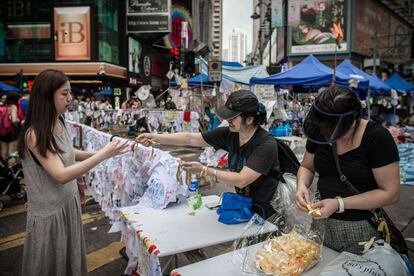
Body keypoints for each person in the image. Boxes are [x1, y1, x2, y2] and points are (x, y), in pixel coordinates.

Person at [17, 69, 129, 275]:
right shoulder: (34, 133)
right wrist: (103, 154)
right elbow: (61, 174)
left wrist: (103, 153)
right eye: (64, 93)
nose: (70, 98)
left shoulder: (58, 121)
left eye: (70, 93)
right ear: (46, 96)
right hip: (50, 215)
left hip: (68, 205)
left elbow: (68, 152)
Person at [136, 89, 280, 218]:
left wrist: (204, 170)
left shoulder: (266, 144)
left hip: (268, 212)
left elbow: (242, 179)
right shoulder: (230, 134)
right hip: (244, 205)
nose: (227, 120)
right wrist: (156, 137)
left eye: (233, 117)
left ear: (249, 119)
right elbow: (191, 138)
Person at [296, 86, 400, 254]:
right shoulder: (319, 131)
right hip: (321, 225)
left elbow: (391, 193)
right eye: (324, 131)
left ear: (352, 121)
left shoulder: (377, 137)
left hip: (361, 228)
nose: (328, 136)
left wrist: (339, 204)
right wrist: (301, 186)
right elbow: (307, 166)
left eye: (334, 131)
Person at [0, 92, 21, 159]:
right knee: (13, 152)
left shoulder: (2, 106)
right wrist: (19, 121)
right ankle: (12, 165)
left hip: (2, 131)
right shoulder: (13, 106)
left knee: (4, 151)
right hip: (12, 132)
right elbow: (14, 120)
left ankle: (4, 167)